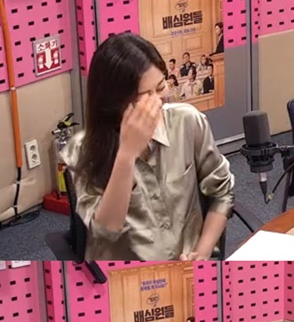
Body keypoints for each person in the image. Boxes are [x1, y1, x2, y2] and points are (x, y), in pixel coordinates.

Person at [64, 33, 235, 261]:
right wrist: (127, 154)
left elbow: (222, 192)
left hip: (188, 262)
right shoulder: (82, 150)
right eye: (145, 96)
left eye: (161, 87)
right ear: (115, 101)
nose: (158, 101)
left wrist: (201, 254)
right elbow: (105, 231)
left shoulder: (187, 122)